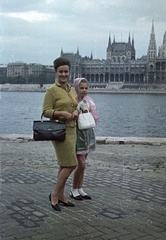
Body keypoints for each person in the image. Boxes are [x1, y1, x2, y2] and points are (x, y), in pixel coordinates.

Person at [42, 57, 78, 211]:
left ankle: (61, 195)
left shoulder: (72, 89)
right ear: (56, 72)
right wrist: (62, 112)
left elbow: (77, 105)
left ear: (69, 72)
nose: (64, 74)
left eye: (66, 71)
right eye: (61, 71)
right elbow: (46, 111)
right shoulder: (52, 90)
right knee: (72, 164)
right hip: (59, 130)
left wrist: (76, 111)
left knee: (64, 164)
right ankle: (55, 194)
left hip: (72, 129)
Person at [70, 78, 99, 200]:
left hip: (87, 134)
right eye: (81, 88)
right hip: (78, 135)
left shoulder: (89, 101)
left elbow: (94, 118)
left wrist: (87, 112)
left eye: (86, 88)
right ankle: (73, 189)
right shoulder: (72, 101)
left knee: (84, 164)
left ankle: (80, 188)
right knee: (81, 164)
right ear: (76, 88)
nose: (84, 90)